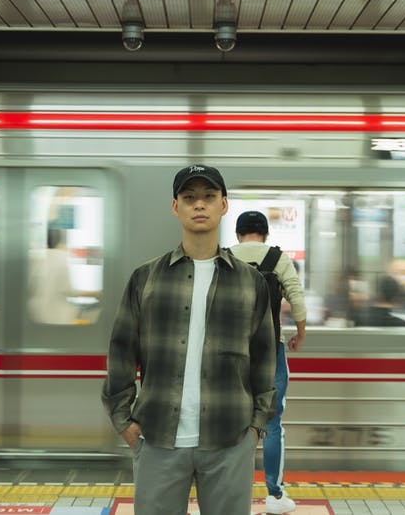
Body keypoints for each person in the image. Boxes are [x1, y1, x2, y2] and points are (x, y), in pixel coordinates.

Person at [101, 164, 276, 515]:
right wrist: (124, 422)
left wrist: (256, 428)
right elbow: (121, 352)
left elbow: (264, 359)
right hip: (158, 439)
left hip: (230, 440)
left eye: (209, 196)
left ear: (223, 205)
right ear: (175, 207)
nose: (199, 204)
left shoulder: (250, 282)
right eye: (189, 197)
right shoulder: (146, 279)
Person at [229, 210, 306, 515]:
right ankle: (274, 495)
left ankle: (233, 495)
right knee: (273, 424)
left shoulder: (225, 257)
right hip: (271, 348)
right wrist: (300, 333)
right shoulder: (277, 258)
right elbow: (296, 298)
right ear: (265, 234)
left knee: (233, 422)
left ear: (238, 234)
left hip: (231, 353)